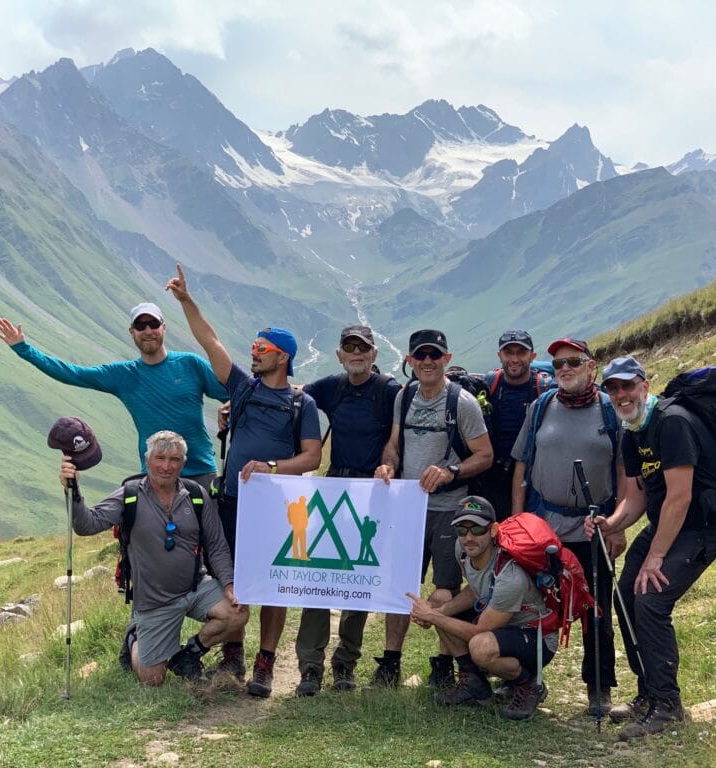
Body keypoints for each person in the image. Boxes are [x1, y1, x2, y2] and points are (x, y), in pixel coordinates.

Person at [166, 264, 322, 698]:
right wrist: (185, 301)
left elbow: (313, 455)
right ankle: (232, 656)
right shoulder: (242, 387)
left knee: (273, 584)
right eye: (253, 346)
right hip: (232, 501)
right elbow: (208, 340)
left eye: (262, 348)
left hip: (276, 506)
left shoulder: (300, 403)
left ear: (282, 356)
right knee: (232, 577)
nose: (254, 353)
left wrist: (271, 467)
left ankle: (266, 661)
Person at [588, 357, 716, 740]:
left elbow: (680, 498)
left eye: (627, 386)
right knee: (625, 594)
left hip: (701, 526)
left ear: (644, 385)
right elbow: (637, 496)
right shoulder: (632, 429)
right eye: (613, 389)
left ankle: (667, 706)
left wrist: (655, 556)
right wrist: (612, 523)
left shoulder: (672, 423)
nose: (621, 395)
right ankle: (648, 692)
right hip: (667, 525)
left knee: (651, 600)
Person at [60, 430, 247, 685]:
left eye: (174, 459)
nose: (166, 466)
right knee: (153, 679)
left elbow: (216, 546)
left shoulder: (195, 495)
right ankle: (134, 637)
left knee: (237, 612)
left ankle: (190, 654)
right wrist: (73, 491)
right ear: (147, 460)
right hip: (154, 600)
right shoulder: (130, 495)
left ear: (183, 462)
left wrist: (228, 584)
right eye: (160, 458)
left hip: (195, 588)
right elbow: (87, 525)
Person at [511, 337, 625, 717]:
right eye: (558, 364)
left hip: (594, 527)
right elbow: (522, 467)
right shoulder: (541, 407)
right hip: (544, 528)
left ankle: (598, 688)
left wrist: (618, 525)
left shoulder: (611, 411)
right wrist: (516, 522)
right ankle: (523, 681)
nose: (565, 369)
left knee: (597, 610)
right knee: (530, 606)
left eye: (573, 361)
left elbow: (625, 471)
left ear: (591, 366)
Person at [374, 329, 493, 688]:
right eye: (421, 356)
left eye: (434, 356)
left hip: (448, 510)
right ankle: (390, 661)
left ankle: (445, 664)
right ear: (410, 361)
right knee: (399, 587)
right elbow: (394, 445)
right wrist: (388, 465)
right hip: (408, 508)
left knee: (445, 590)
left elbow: (485, 455)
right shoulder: (404, 396)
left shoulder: (462, 403)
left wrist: (450, 472)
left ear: (447, 359)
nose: (428, 362)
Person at [0, 304, 227, 489]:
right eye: (140, 326)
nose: (147, 331)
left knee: (214, 539)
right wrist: (23, 349)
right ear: (132, 332)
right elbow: (72, 373)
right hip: (155, 475)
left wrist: (229, 405)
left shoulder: (190, 364)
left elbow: (233, 392)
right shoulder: (123, 375)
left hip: (200, 470)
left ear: (163, 328)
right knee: (159, 542)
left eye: (153, 324)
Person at [293, 325, 401, 696]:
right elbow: (291, 396)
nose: (357, 353)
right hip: (335, 488)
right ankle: (309, 667)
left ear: (374, 354)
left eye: (364, 348)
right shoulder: (331, 387)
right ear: (339, 354)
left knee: (358, 582)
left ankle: (345, 664)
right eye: (349, 347)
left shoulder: (389, 391)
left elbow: (400, 434)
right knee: (320, 579)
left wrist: (390, 465)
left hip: (374, 494)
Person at [407, 496, 555, 721]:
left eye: (477, 528)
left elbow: (479, 632)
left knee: (481, 646)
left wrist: (433, 617)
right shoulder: (463, 549)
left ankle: (529, 685)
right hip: (501, 622)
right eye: (462, 529)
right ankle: (473, 682)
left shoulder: (510, 576)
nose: (468, 537)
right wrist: (438, 611)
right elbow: (476, 589)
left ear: (494, 530)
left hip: (536, 637)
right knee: (439, 599)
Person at [480, 330, 553, 521]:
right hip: (494, 478)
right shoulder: (489, 386)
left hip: (534, 480)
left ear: (532, 356)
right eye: (508, 352)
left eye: (520, 352)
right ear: (499, 356)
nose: (514, 359)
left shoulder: (544, 389)